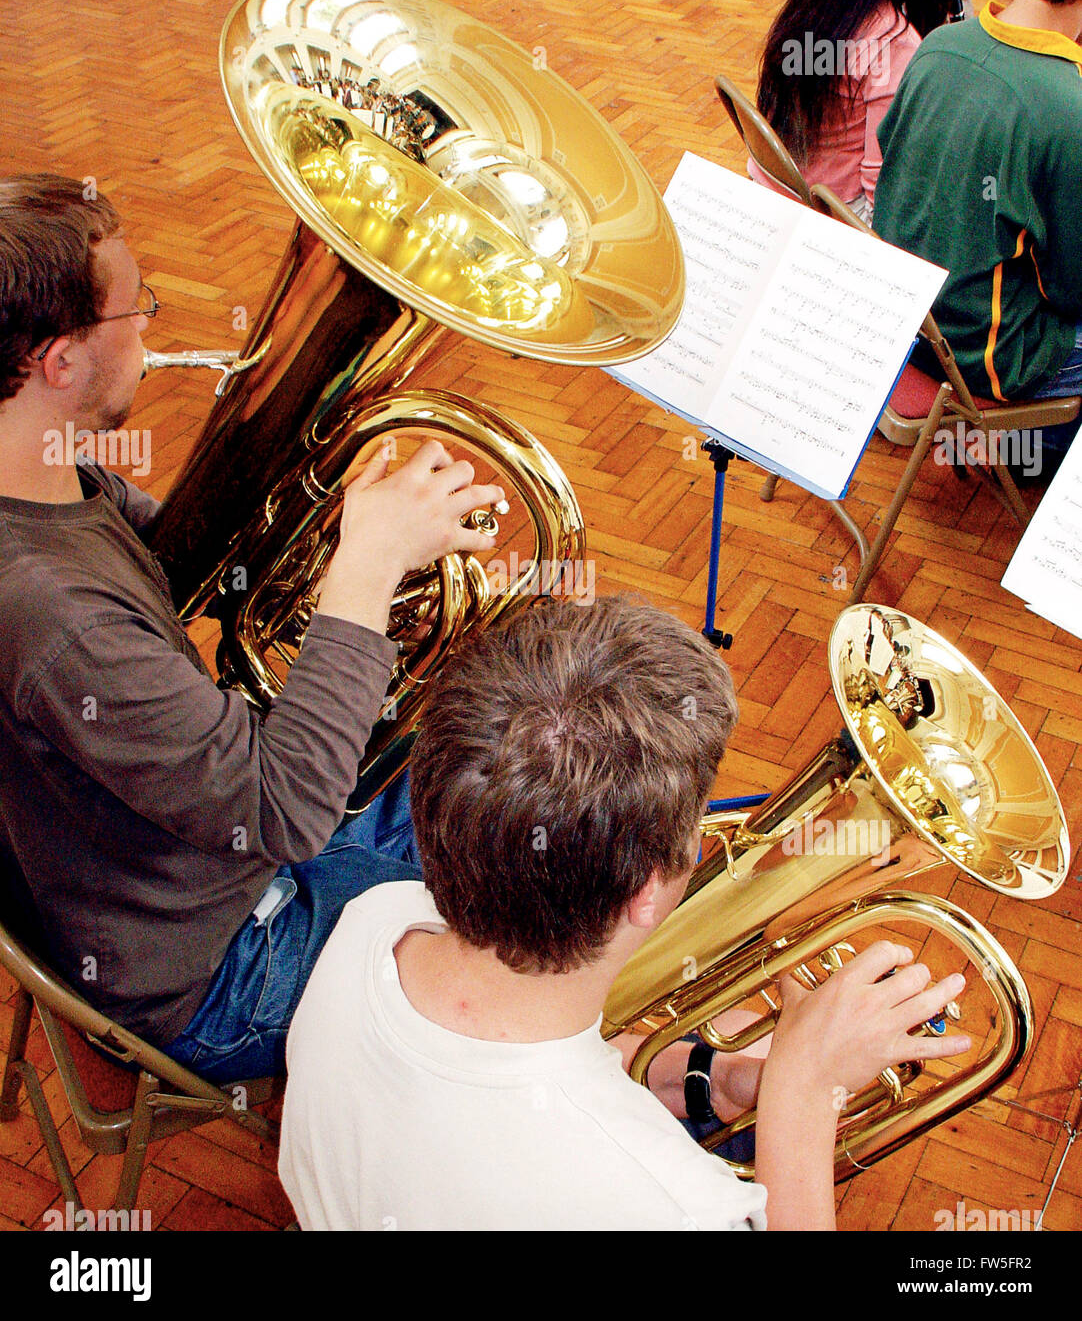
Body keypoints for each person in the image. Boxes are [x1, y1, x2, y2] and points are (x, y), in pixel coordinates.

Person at [0, 173, 507, 1082]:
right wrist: (366, 567)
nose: (152, 326)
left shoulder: (42, 476)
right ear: (61, 362)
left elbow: (170, 563)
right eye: (135, 309)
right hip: (217, 965)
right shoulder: (54, 617)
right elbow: (288, 810)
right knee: (552, 896)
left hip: (170, 875)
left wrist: (333, 520)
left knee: (518, 771)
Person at [278, 594, 970, 1231]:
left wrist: (706, 1080)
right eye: (696, 822)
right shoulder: (679, 1209)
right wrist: (804, 1097)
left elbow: (509, 1070)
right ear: (647, 890)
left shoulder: (378, 919)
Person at [872, 0, 1082, 449]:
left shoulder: (939, 45)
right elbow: (1069, 290)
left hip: (903, 321)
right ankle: (1035, 449)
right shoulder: (1066, 108)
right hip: (984, 359)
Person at [753, 0, 969, 220]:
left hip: (769, 182)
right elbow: (882, 187)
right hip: (827, 212)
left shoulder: (816, 0)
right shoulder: (895, 44)